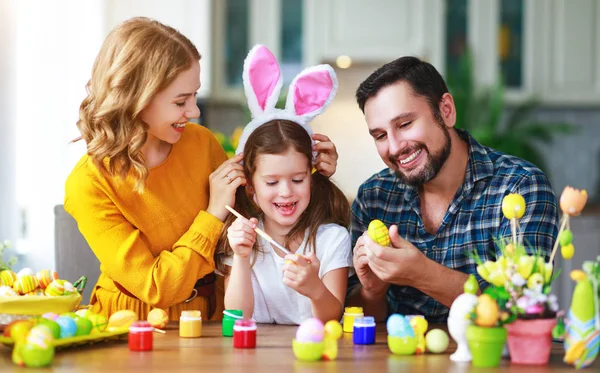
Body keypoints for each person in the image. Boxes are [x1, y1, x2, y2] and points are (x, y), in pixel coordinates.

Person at [64, 18, 338, 321]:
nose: (194, 112)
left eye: (194, 95)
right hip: (131, 323)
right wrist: (212, 215)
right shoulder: (88, 184)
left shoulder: (201, 143)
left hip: (211, 314)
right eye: (181, 101)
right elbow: (156, 287)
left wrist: (315, 173)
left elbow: (261, 203)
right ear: (135, 98)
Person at [345, 56, 559, 322]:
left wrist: (421, 273)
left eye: (405, 124)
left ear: (445, 110)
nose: (394, 146)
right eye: (380, 136)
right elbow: (356, 321)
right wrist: (373, 292)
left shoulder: (520, 187)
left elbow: (523, 311)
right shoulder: (374, 197)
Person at [214, 45, 353, 325]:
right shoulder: (240, 237)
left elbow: (331, 317)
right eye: (272, 182)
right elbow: (237, 318)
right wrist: (241, 257)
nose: (286, 191)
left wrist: (315, 289)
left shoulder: (331, 239)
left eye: (298, 179)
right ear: (251, 188)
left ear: (312, 180)